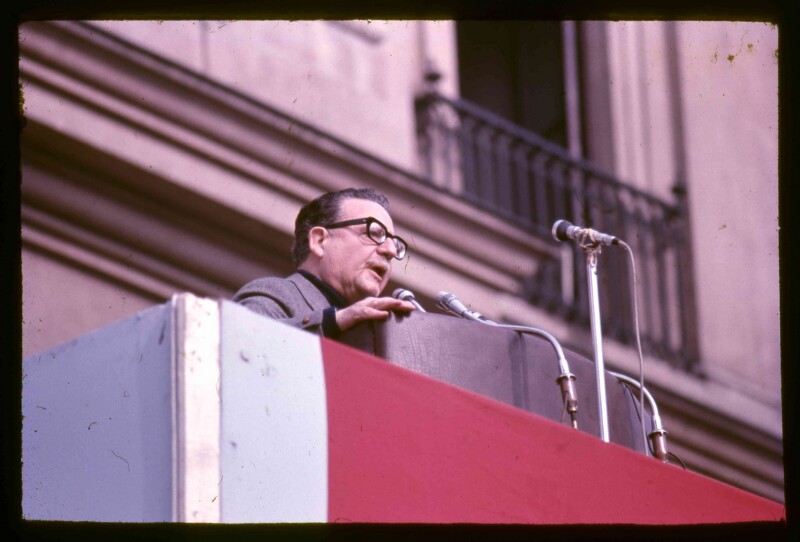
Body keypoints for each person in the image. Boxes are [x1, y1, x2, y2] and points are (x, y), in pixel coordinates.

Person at [233, 187, 416, 337]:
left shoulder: (381, 331)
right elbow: (243, 344)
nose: (390, 251)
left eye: (395, 245)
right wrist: (332, 322)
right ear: (320, 241)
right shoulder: (276, 293)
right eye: (374, 233)